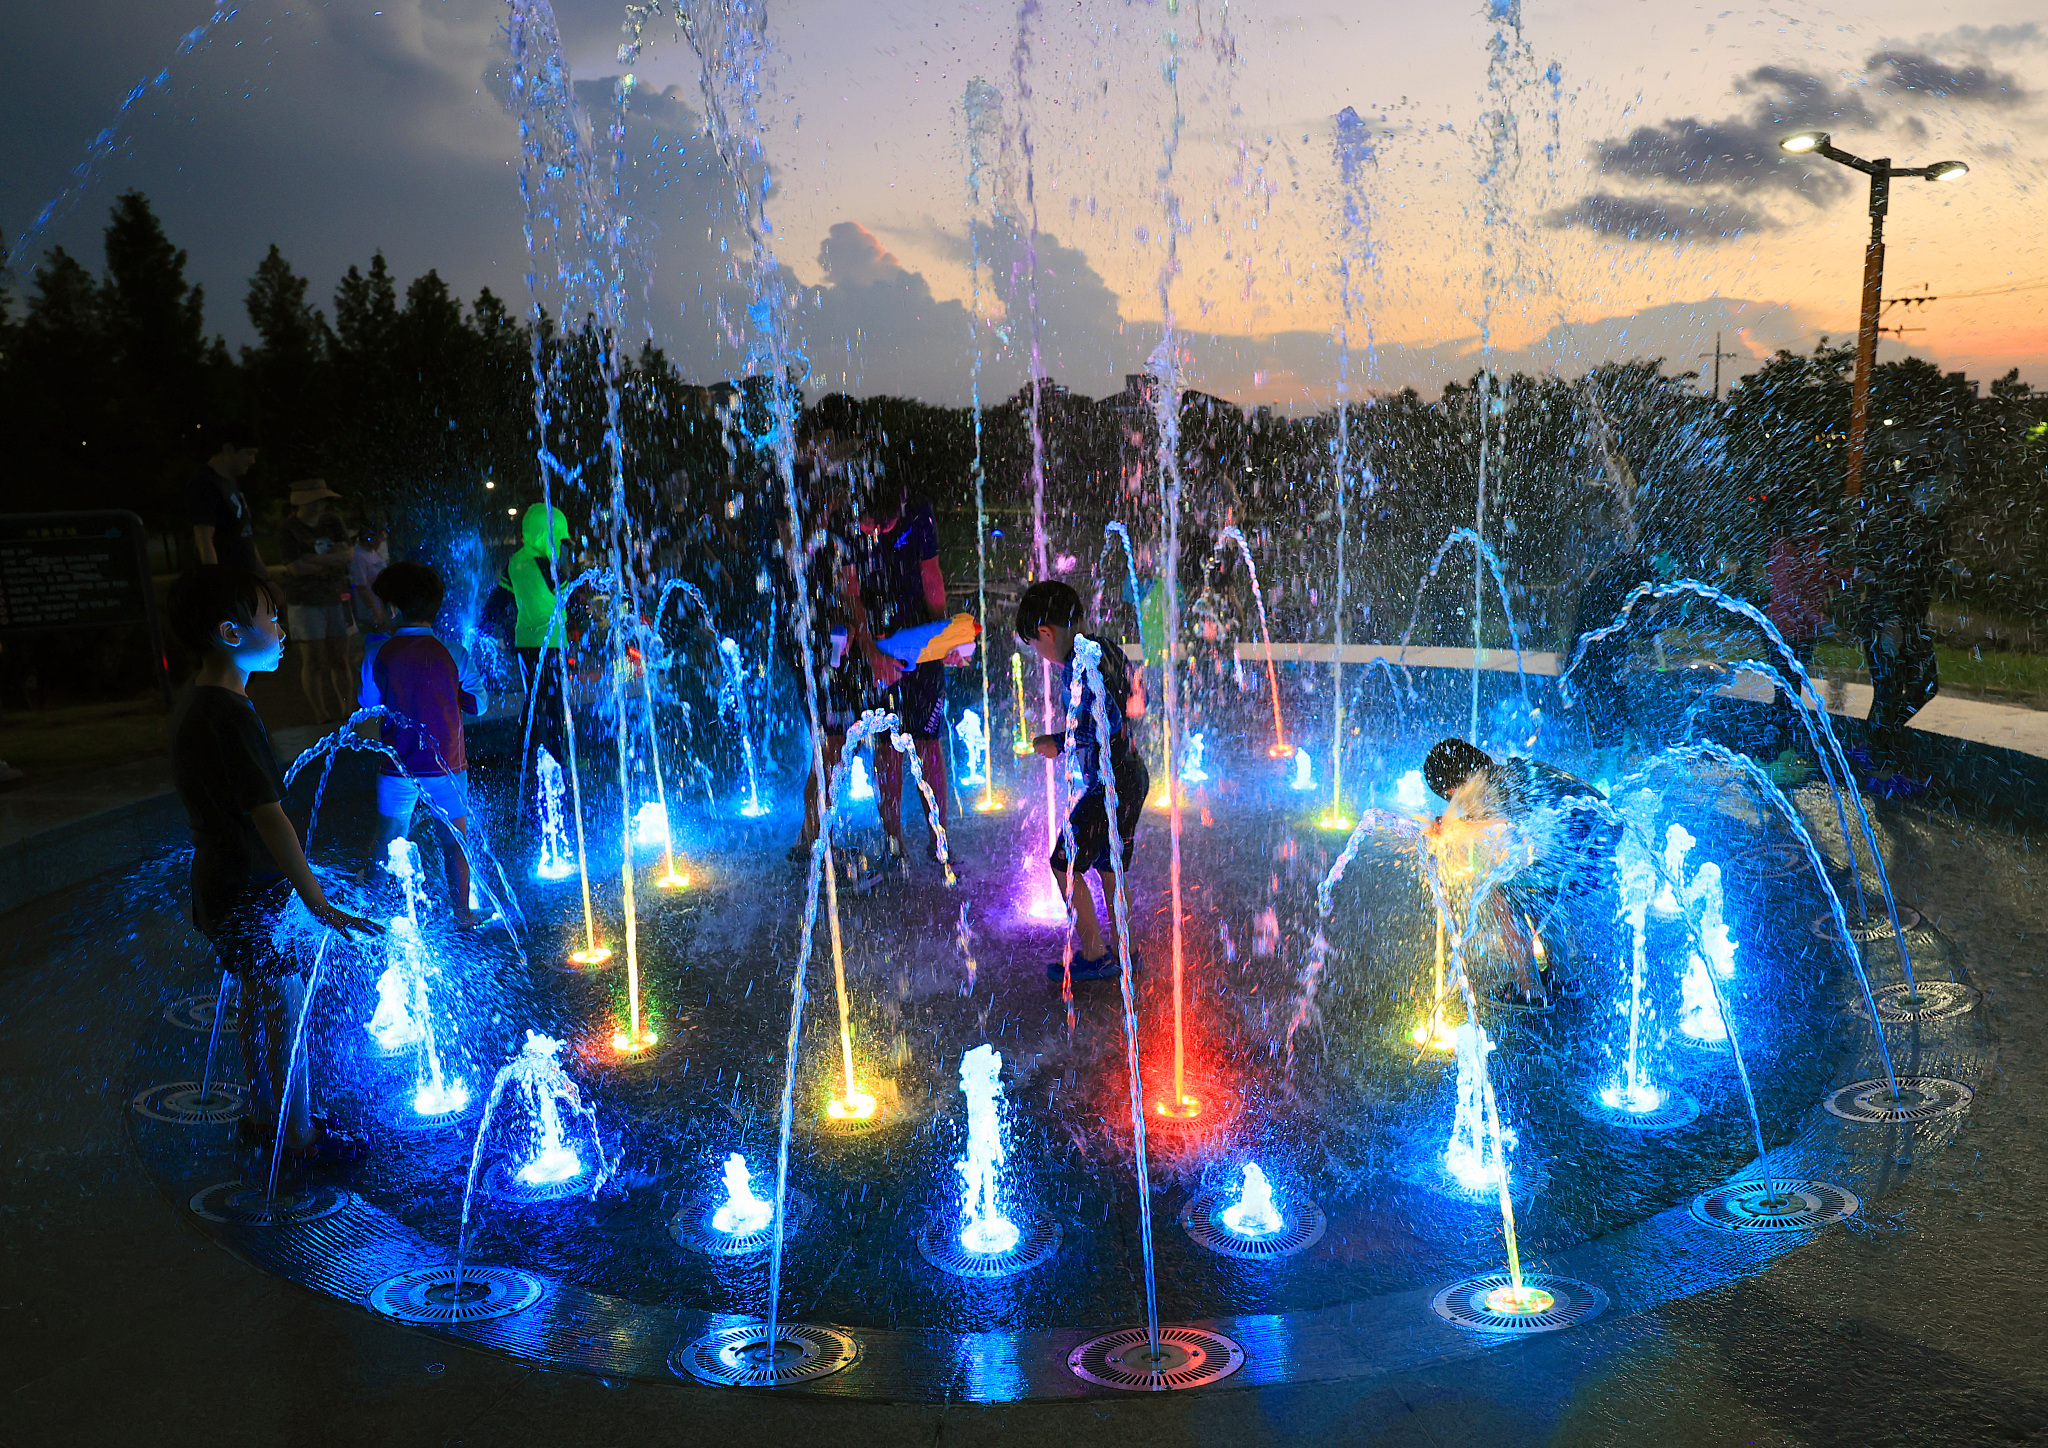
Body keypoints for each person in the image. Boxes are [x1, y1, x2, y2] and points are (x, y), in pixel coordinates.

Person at [165, 565, 379, 1164]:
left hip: (221, 880)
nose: (282, 629)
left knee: (259, 1002)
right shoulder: (230, 716)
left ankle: (267, 1120)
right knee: (281, 1008)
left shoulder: (202, 704)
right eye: (271, 617)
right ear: (231, 633)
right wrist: (317, 901)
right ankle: (298, 1139)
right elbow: (271, 817)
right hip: (251, 885)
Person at [1019, 580, 1150, 982]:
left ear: (1046, 632)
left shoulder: (1078, 663)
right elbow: (1137, 699)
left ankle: (1095, 953)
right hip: (1132, 773)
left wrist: (1059, 742)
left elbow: (1104, 723)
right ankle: (1124, 950)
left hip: (1109, 781)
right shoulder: (1106, 647)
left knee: (1065, 862)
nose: (1040, 655)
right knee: (1110, 866)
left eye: (1035, 645)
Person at [1422, 737, 1617, 1007]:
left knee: (1501, 891)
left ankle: (1529, 988)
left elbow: (1481, 816)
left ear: (1457, 785)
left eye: (1451, 795)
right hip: (1604, 848)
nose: (1456, 801)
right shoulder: (1512, 774)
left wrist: (1449, 825)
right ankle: (1564, 977)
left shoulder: (1491, 784)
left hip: (1589, 853)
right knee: (1532, 886)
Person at [358, 561, 485, 928]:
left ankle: (372, 914)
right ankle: (462, 912)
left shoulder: (377, 654)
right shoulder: (453, 652)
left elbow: (367, 704)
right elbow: (479, 704)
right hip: (448, 766)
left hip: (397, 768)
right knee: (455, 842)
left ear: (393, 610)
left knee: (388, 838)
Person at [845, 475, 953, 862]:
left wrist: (944, 639)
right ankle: (895, 844)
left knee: (928, 741)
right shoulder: (850, 518)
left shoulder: (918, 513)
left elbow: (931, 577)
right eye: (868, 525)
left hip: (918, 633)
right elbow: (850, 591)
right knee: (887, 744)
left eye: (881, 526)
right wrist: (871, 651)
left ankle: (939, 840)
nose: (873, 532)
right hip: (875, 635)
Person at [276, 480, 356, 722]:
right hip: (305, 601)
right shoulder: (288, 529)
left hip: (334, 597)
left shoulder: (332, 521)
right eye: (316, 500)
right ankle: (321, 714)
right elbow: (295, 567)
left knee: (340, 658)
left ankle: (346, 709)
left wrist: (313, 560)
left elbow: (348, 555)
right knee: (313, 660)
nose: (321, 505)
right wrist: (333, 558)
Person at [1765, 526, 1842, 771]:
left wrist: (1853, 574)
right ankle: (1773, 755)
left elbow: (1825, 575)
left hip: (1805, 633)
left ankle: (1784, 753)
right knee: (1783, 694)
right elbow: (1787, 596)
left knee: (1793, 692)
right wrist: (1821, 620)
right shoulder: (1781, 547)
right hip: (1782, 632)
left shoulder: (1812, 544)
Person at [508, 502, 572, 774]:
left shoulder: (515, 561)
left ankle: (525, 757)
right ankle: (560, 758)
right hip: (552, 641)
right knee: (556, 702)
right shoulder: (547, 563)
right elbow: (564, 592)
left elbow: (500, 598)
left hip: (525, 643)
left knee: (532, 700)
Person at [188, 421, 268, 579]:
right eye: (248, 453)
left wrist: (267, 579)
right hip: (228, 584)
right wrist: (216, 583)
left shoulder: (231, 484)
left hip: (243, 583)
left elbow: (247, 536)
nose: (252, 461)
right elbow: (204, 541)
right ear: (228, 449)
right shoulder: (204, 484)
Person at [349, 522, 391, 635]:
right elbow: (361, 586)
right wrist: (374, 610)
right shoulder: (358, 556)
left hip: (381, 604)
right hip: (369, 610)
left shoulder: (374, 552)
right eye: (380, 538)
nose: (381, 541)